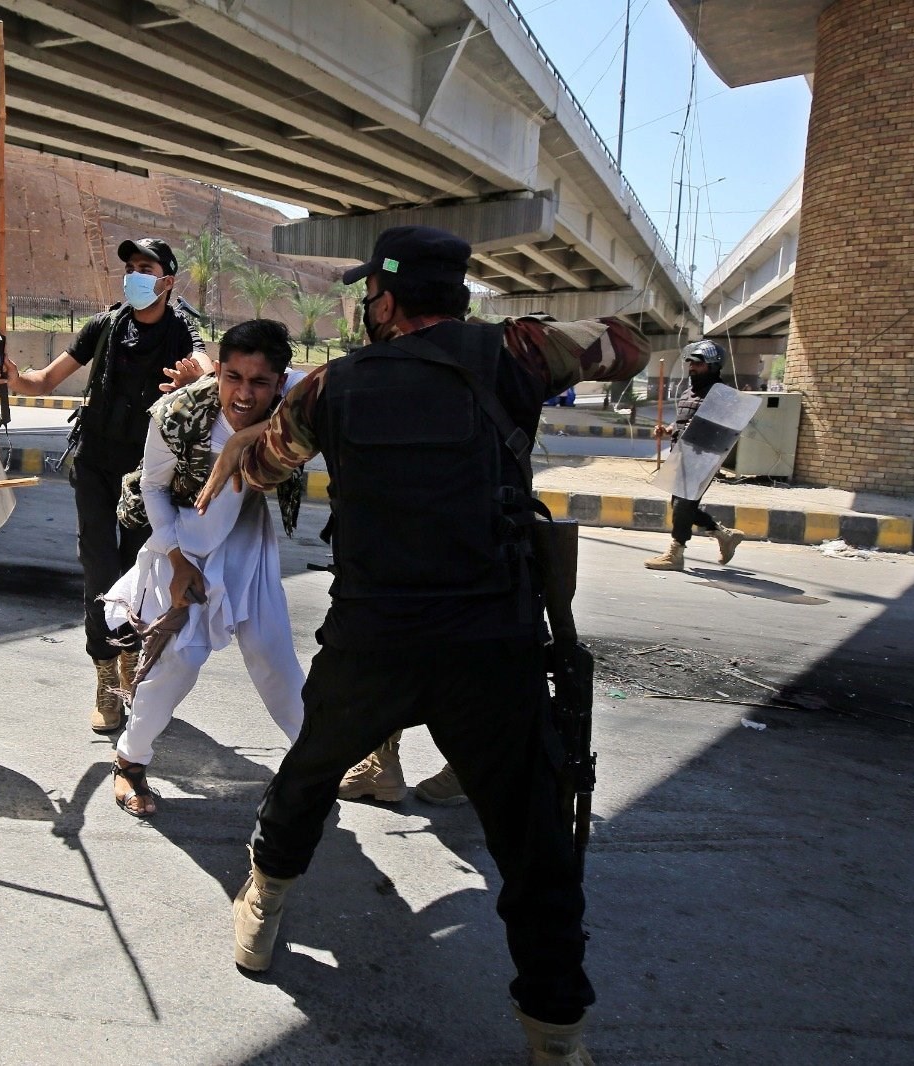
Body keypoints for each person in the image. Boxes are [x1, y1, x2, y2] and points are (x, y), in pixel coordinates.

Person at [199, 226, 649, 1064]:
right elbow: (628, 345)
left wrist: (243, 445)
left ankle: (263, 904)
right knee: (533, 842)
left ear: (390, 301)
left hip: (375, 638)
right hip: (491, 642)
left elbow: (266, 466)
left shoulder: (334, 385)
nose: (367, 304)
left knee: (306, 777)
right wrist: (539, 333)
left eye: (372, 292)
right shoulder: (516, 352)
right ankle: (557, 1037)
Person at [0, 237, 210, 735]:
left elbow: (206, 375)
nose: (134, 275)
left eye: (144, 268)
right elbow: (42, 381)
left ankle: (132, 661)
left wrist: (197, 379)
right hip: (94, 464)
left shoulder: (181, 332)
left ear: (167, 281)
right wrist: (12, 377)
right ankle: (106, 674)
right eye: (129, 267)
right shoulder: (105, 326)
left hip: (148, 478)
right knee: (98, 567)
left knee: (138, 571)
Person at [101, 319, 305, 817]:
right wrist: (175, 562)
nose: (243, 393)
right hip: (184, 542)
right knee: (179, 661)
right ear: (219, 372)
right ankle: (129, 762)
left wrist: (245, 440)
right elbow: (151, 488)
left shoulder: (298, 394)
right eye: (233, 377)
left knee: (273, 654)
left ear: (280, 381)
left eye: (260, 383)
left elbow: (336, 388)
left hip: (248, 541)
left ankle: (313, 764)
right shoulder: (177, 413)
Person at [645, 339, 745, 571]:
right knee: (680, 505)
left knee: (682, 506)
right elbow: (682, 419)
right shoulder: (690, 392)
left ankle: (676, 553)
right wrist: (668, 429)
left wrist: (703, 429)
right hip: (682, 455)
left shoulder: (723, 396)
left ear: (712, 366)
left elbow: (727, 429)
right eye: (690, 363)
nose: (692, 367)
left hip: (703, 459)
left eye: (698, 364)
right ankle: (725, 535)